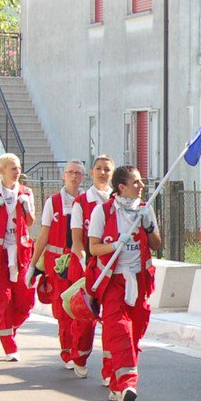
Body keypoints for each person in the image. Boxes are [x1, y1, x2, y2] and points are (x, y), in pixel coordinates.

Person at [86, 164, 162, 401]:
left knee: (135, 331)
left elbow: (156, 245)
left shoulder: (144, 210)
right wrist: (116, 244)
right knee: (120, 330)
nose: (141, 186)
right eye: (136, 182)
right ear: (122, 187)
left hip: (139, 280)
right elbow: (93, 248)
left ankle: (117, 383)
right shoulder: (103, 212)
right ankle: (128, 383)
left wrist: (149, 226)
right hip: (113, 281)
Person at [0, 153, 37, 361]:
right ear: (2, 171)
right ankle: (9, 345)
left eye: (18, 167)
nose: (17, 171)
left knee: (26, 299)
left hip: (21, 253)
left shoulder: (26, 192)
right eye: (12, 167)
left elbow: (29, 223)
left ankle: (10, 327)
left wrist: (27, 207)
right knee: (3, 300)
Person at [37, 159, 87, 375]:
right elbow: (44, 234)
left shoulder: (88, 201)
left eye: (78, 173)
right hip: (56, 264)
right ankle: (67, 350)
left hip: (79, 261)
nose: (74, 176)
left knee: (80, 307)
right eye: (70, 172)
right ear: (63, 176)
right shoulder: (53, 202)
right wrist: (33, 265)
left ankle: (79, 352)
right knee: (63, 310)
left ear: (83, 177)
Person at [70, 155, 116, 382]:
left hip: (114, 269)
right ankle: (79, 356)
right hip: (90, 267)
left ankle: (110, 369)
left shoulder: (118, 200)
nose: (102, 173)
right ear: (91, 173)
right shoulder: (81, 202)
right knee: (85, 317)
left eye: (107, 169)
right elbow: (77, 239)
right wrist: (81, 260)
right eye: (98, 168)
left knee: (112, 320)